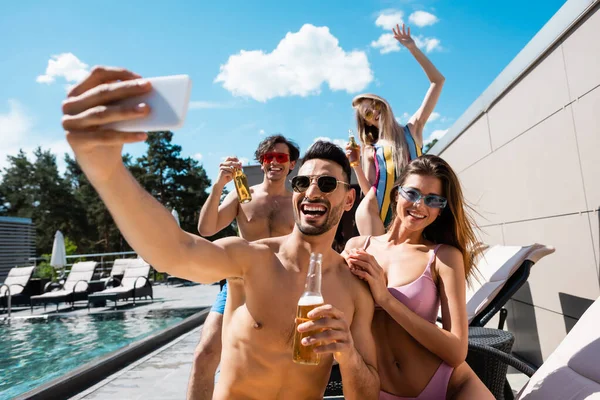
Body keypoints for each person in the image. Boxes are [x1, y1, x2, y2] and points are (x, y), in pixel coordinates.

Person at [60, 66, 379, 399]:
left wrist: (348, 355)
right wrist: (108, 173)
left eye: (326, 184)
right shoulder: (253, 259)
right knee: (205, 353)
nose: (312, 192)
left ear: (348, 199)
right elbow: (176, 250)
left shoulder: (353, 287)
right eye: (303, 182)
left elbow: (369, 393)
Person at [343, 155, 494, 399]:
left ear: (441, 209)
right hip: (377, 390)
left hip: (451, 385)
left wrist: (386, 299)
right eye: (411, 193)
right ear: (396, 194)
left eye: (433, 200)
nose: (419, 206)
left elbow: (457, 351)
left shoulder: (443, 256)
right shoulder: (358, 247)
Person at [190, 134, 300, 400]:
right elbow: (206, 229)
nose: (274, 162)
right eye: (268, 157)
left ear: (292, 164)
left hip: (282, 287)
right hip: (238, 286)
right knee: (205, 354)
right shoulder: (243, 195)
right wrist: (219, 185)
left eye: (281, 157)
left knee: (281, 365)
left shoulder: (298, 200)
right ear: (261, 163)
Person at [346, 24, 445, 236]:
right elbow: (368, 191)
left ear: (385, 105)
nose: (374, 113)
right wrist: (355, 164)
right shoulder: (371, 149)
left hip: (416, 209)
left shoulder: (413, 130)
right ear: (368, 123)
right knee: (378, 265)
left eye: (375, 105)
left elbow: (438, 82)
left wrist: (412, 48)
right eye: (368, 114)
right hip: (379, 213)